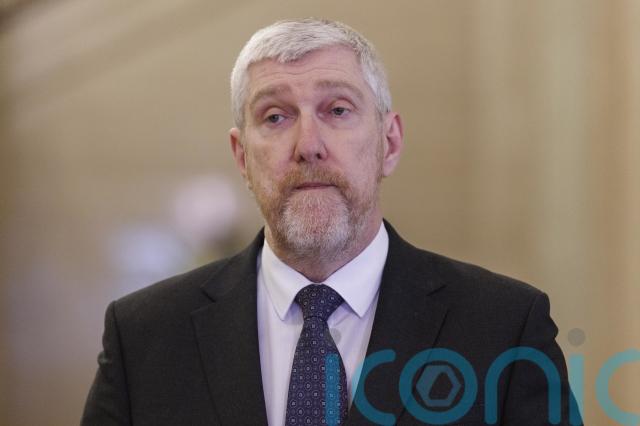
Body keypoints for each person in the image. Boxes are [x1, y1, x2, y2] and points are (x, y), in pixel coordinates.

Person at [82, 19, 581, 425]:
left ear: (389, 143)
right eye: (275, 117)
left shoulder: (505, 328)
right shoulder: (143, 336)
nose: (308, 145)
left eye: (338, 110)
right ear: (242, 156)